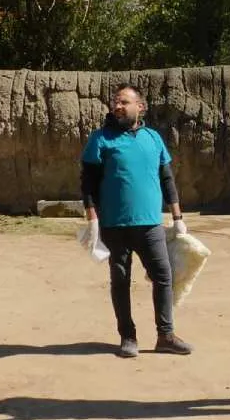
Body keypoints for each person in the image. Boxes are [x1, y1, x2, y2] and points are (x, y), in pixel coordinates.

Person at [81, 84, 193, 359]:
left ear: (140, 107)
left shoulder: (153, 138)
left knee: (163, 276)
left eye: (124, 102)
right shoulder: (100, 139)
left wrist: (178, 217)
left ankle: (165, 335)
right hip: (114, 225)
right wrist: (92, 217)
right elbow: (87, 182)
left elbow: (167, 178)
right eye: (115, 102)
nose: (117, 107)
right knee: (120, 279)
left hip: (151, 224)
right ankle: (127, 336)